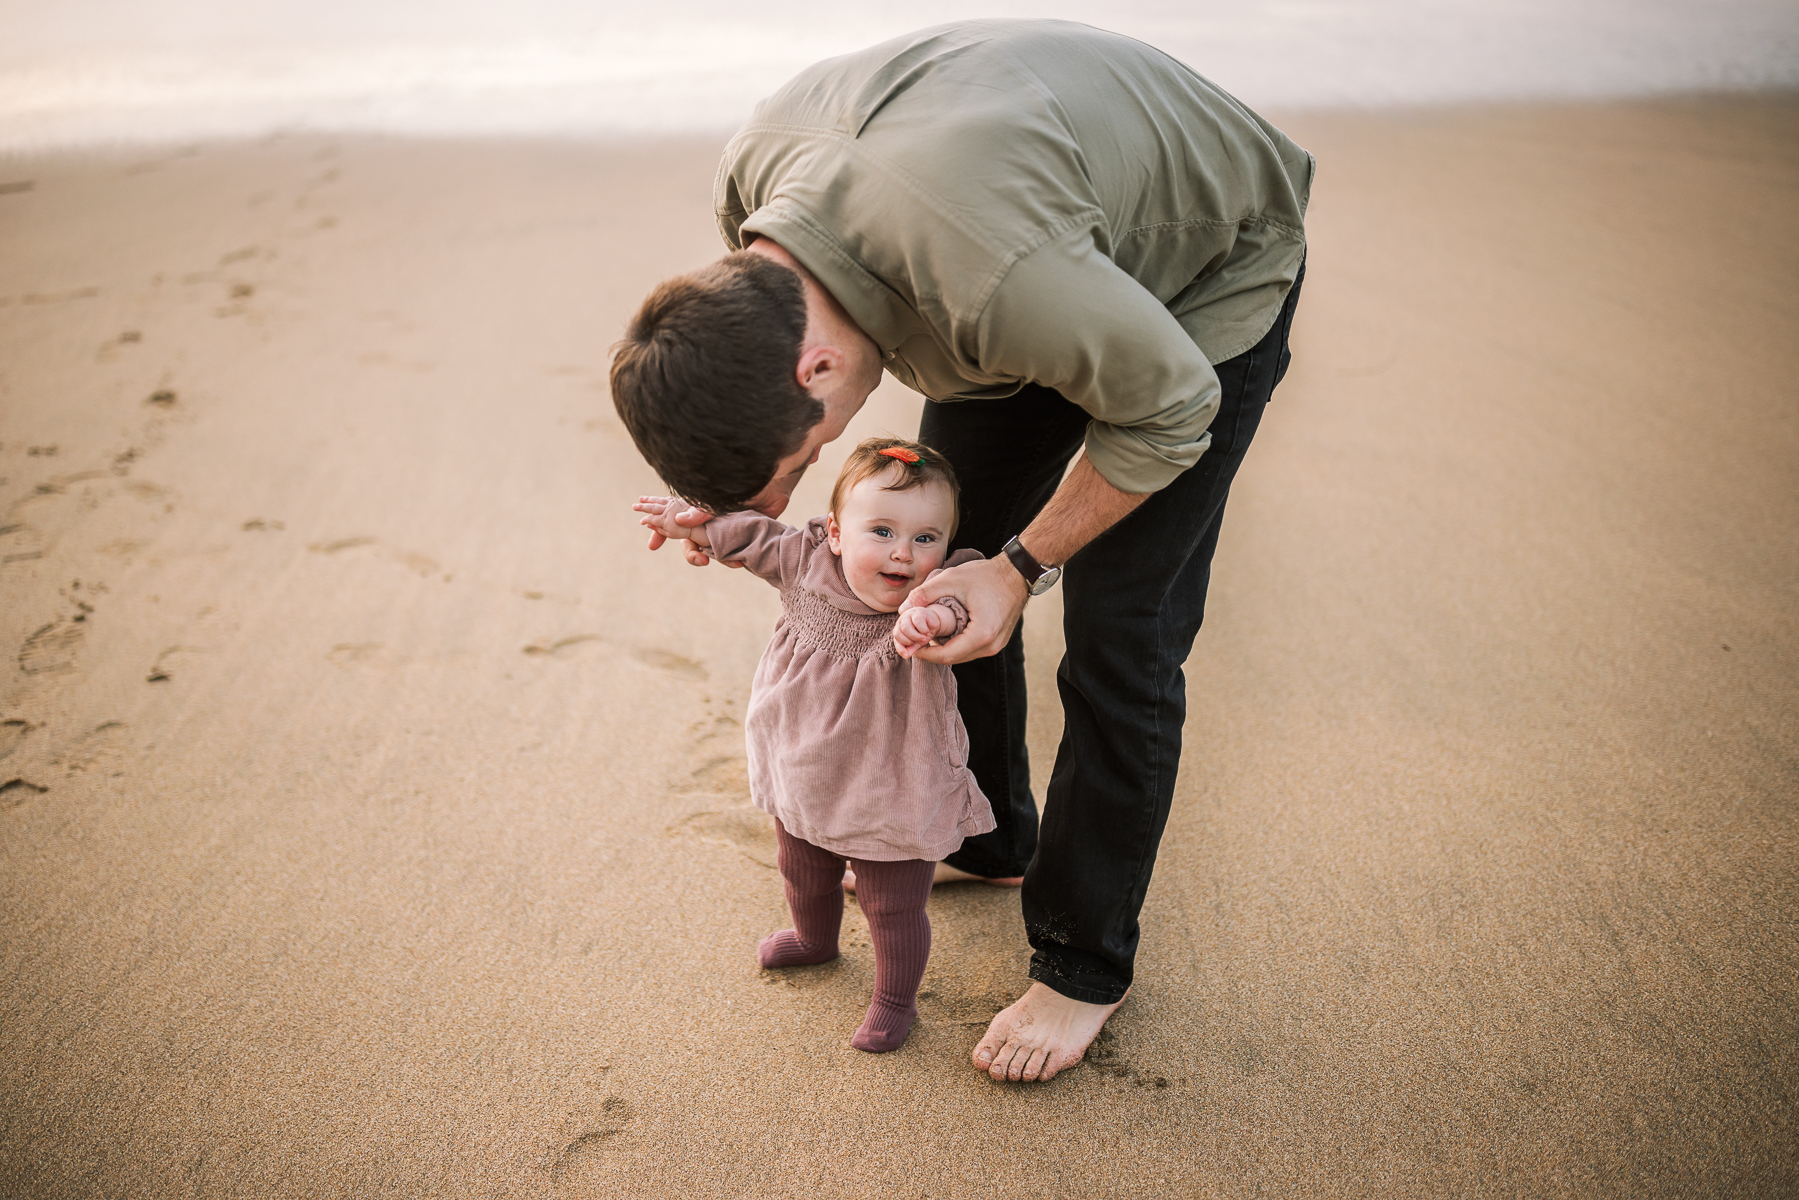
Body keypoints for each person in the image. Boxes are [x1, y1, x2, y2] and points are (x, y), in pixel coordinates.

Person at [610, 19, 1312, 1082]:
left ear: (812, 370)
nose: (790, 497)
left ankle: (1083, 964)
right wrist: (722, 517)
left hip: (1202, 271)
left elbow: (1171, 410)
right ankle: (987, 839)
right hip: (1025, 238)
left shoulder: (995, 281)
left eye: (796, 469)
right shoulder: (755, 194)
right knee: (940, 571)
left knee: (1121, 633)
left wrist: (1019, 569)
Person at [633, 438, 995, 1052]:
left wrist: (934, 619)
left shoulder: (938, 592)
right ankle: (814, 939)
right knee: (803, 870)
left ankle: (895, 999)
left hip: (893, 785)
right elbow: (750, 535)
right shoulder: (803, 562)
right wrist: (690, 521)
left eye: (926, 538)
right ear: (834, 533)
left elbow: (965, 608)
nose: (903, 553)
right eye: (881, 531)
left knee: (892, 905)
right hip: (804, 766)